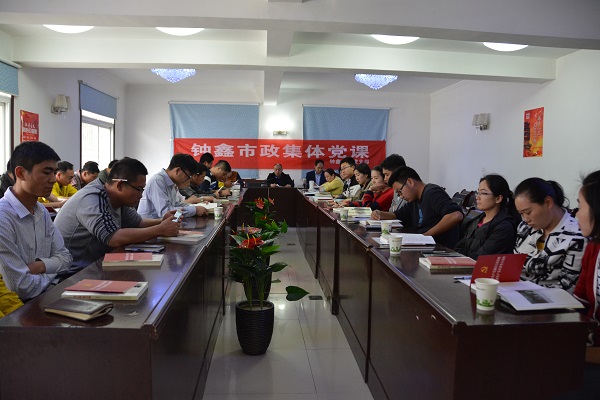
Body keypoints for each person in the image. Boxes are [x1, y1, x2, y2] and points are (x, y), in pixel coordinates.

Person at [55, 157, 181, 272]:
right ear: (120, 185)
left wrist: (161, 221)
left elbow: (138, 223)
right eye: (138, 189)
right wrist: (160, 229)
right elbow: (114, 238)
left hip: (98, 264)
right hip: (74, 272)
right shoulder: (92, 197)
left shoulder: (119, 199)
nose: (141, 195)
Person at [0, 141, 72, 300]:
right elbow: (19, 287)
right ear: (20, 173)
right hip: (19, 308)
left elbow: (66, 259)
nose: (53, 179)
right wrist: (53, 277)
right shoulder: (3, 217)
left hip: (46, 297)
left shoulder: (41, 212)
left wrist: (39, 266)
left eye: (54, 172)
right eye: (46, 172)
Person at [557, 171, 600, 399]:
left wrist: (572, 353)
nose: (576, 213)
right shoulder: (593, 248)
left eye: (581, 206)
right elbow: (580, 301)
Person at [514, 178, 587, 292]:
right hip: (513, 292)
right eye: (521, 213)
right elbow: (515, 267)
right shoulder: (525, 227)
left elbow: (568, 286)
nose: (526, 219)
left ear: (548, 202)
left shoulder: (576, 236)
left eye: (528, 212)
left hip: (550, 298)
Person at [375, 166, 464, 248]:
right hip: (425, 247)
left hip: (440, 249)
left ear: (410, 182)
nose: (401, 196)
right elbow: (397, 215)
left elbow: (456, 215)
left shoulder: (432, 193)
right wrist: (379, 214)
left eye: (400, 192)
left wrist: (426, 236)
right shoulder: (414, 199)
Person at [455, 174, 518, 259]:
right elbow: (460, 246)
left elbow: (481, 257)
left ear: (498, 198)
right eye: (478, 192)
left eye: (483, 193)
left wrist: (460, 261)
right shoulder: (476, 220)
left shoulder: (503, 228)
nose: (477, 197)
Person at [137, 153, 208, 219]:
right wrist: (194, 210)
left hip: (162, 224)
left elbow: (176, 205)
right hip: (149, 226)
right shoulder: (157, 181)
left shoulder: (172, 183)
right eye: (188, 177)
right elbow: (165, 213)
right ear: (178, 171)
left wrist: (195, 207)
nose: (189, 182)